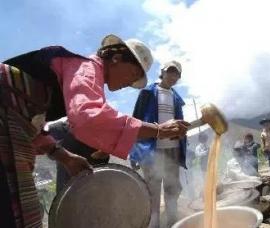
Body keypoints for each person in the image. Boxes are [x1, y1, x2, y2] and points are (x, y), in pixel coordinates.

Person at [0, 35, 189, 228]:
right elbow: (88, 117)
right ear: (116, 58)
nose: (130, 83)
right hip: (5, 120)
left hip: (14, 126)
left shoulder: (73, 80)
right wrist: (158, 130)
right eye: (133, 74)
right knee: (18, 212)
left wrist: (64, 156)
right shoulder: (86, 67)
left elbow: (35, 126)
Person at [130, 60, 186, 228]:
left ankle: (172, 222)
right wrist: (134, 152)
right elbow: (136, 122)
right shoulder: (147, 93)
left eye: (177, 74)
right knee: (153, 191)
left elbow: (179, 124)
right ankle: (153, 224)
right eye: (170, 71)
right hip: (151, 151)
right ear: (162, 72)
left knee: (172, 189)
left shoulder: (176, 98)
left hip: (173, 150)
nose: (173, 76)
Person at [48, 120, 110, 193]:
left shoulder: (102, 140)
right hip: (67, 191)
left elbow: (102, 165)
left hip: (93, 191)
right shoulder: (60, 129)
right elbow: (40, 141)